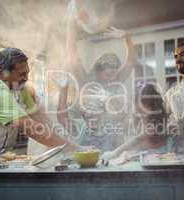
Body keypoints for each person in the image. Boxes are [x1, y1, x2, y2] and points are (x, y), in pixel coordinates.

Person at [0, 48, 85, 156]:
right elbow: (33, 129)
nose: (26, 78)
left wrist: (73, 143)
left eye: (27, 73)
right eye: (22, 74)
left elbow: (43, 121)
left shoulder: (21, 89)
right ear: (2, 73)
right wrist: (74, 149)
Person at [55, 16, 141, 151]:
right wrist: (71, 25)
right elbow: (73, 55)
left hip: (109, 131)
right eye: (108, 74)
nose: (113, 78)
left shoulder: (115, 81)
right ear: (99, 71)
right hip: (87, 130)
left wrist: (127, 38)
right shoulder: (86, 81)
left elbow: (130, 63)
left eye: (115, 73)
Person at [101, 82, 168, 161]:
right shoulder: (141, 117)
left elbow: (137, 139)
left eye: (145, 107)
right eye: (139, 109)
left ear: (154, 106)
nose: (141, 111)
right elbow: (135, 142)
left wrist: (116, 152)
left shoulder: (155, 122)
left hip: (160, 157)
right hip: (145, 157)